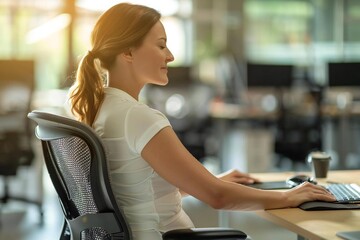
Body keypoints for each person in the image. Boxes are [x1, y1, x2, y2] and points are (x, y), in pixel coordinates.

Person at [68, 3, 336, 240]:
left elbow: (133, 192)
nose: (170, 55)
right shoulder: (137, 116)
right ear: (127, 51)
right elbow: (217, 197)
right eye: (161, 45)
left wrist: (209, 180)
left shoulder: (101, 109)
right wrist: (288, 197)